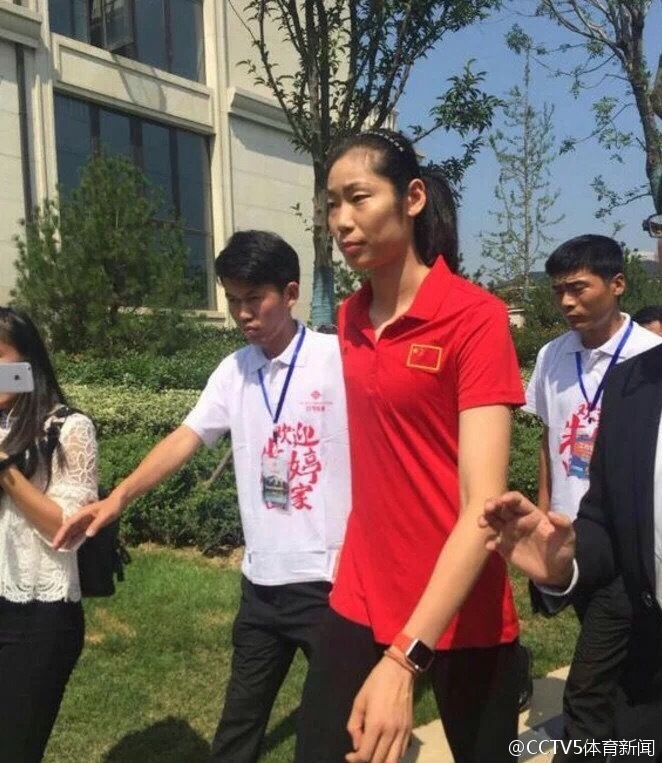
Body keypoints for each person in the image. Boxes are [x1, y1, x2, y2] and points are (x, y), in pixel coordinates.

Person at [53, 230, 351, 763]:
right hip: (261, 584)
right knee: (237, 728)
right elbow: (184, 439)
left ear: (290, 293)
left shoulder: (338, 361)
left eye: (253, 298)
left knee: (333, 732)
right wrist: (118, 498)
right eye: (232, 300)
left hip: (330, 581)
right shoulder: (234, 371)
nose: (242, 314)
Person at [295, 129, 526, 763]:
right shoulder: (348, 318)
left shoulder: (474, 318)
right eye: (332, 204)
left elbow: (483, 508)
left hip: (463, 604)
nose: (342, 221)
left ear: (413, 197)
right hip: (363, 591)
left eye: (359, 197)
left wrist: (404, 660)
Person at [480, 217, 662, 761]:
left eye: (578, 287)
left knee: (590, 680)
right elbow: (547, 437)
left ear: (618, 284)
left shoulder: (646, 358)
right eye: (559, 289)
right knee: (621, 668)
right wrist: (543, 509)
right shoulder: (552, 356)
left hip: (625, 542)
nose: (566, 301)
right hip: (569, 536)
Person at [0, 307, 99, 762]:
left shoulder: (68, 428)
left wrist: (5, 469)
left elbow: (66, 528)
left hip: (37, 615)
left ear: (28, 362)